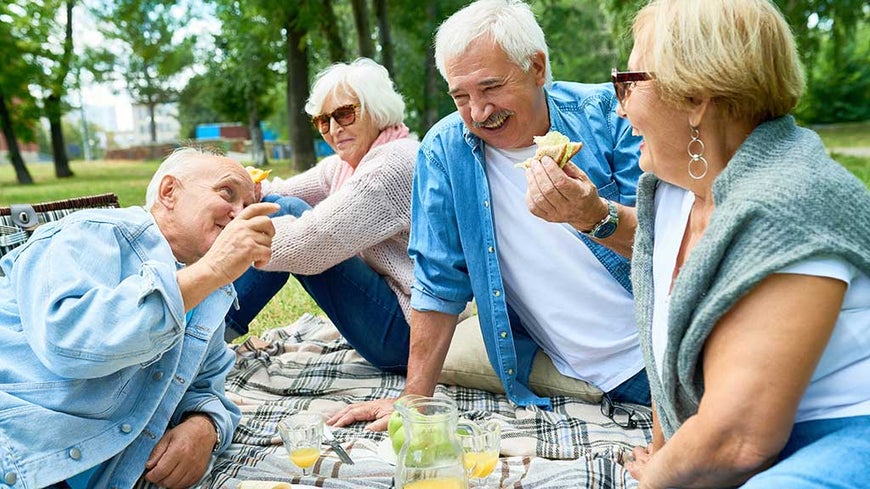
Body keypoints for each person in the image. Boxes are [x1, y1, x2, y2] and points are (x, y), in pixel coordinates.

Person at [330, 0, 648, 431]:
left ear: (537, 68)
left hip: (666, 348)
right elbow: (438, 281)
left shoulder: (612, 115)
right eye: (461, 96)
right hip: (597, 375)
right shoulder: (445, 150)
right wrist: (414, 399)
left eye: (491, 88)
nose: (478, 112)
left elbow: (671, 243)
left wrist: (595, 216)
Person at [615, 1, 870, 487]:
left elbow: (736, 440)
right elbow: (664, 354)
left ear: (694, 96)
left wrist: (654, 482)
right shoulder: (670, 196)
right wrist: (662, 451)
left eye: (627, 82)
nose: (620, 104)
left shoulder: (797, 199)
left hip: (844, 435)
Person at [0, 148, 279, 489]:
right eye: (227, 193)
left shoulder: (210, 293)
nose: (240, 215)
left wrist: (204, 427)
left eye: (249, 207)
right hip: (18, 456)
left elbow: (207, 386)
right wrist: (212, 270)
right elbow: (68, 342)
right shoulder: (89, 234)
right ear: (169, 192)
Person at [223, 58, 419, 374]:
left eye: (344, 114)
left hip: (410, 335)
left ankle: (207, 337)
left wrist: (225, 246)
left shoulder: (392, 164)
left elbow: (309, 244)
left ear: (376, 108)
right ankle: (212, 333)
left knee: (282, 214)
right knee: (278, 204)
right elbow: (279, 190)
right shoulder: (350, 162)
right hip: (389, 316)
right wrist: (238, 189)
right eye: (323, 121)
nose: (334, 129)